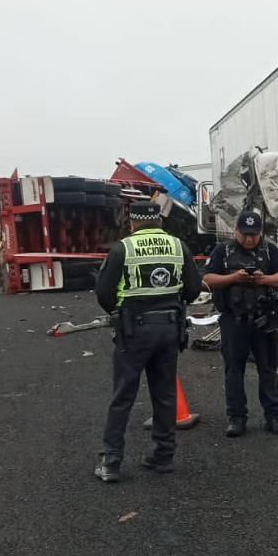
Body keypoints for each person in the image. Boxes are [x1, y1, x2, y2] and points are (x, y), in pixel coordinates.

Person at [92, 200, 202, 483]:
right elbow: (192, 289)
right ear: (160, 221)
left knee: (123, 396)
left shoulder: (123, 249)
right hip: (169, 329)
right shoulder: (178, 247)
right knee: (165, 395)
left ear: (132, 223)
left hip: (134, 331)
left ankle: (111, 461)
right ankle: (163, 455)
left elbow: (104, 293)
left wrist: (121, 313)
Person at [203, 210, 278, 438]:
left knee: (268, 369)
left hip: (264, 320)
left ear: (260, 232)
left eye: (253, 234)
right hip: (234, 320)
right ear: (236, 231)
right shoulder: (223, 250)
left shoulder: (269, 250)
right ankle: (237, 418)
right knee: (234, 369)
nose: (249, 239)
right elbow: (208, 278)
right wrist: (234, 278)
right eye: (245, 234)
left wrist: (264, 279)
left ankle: (274, 417)